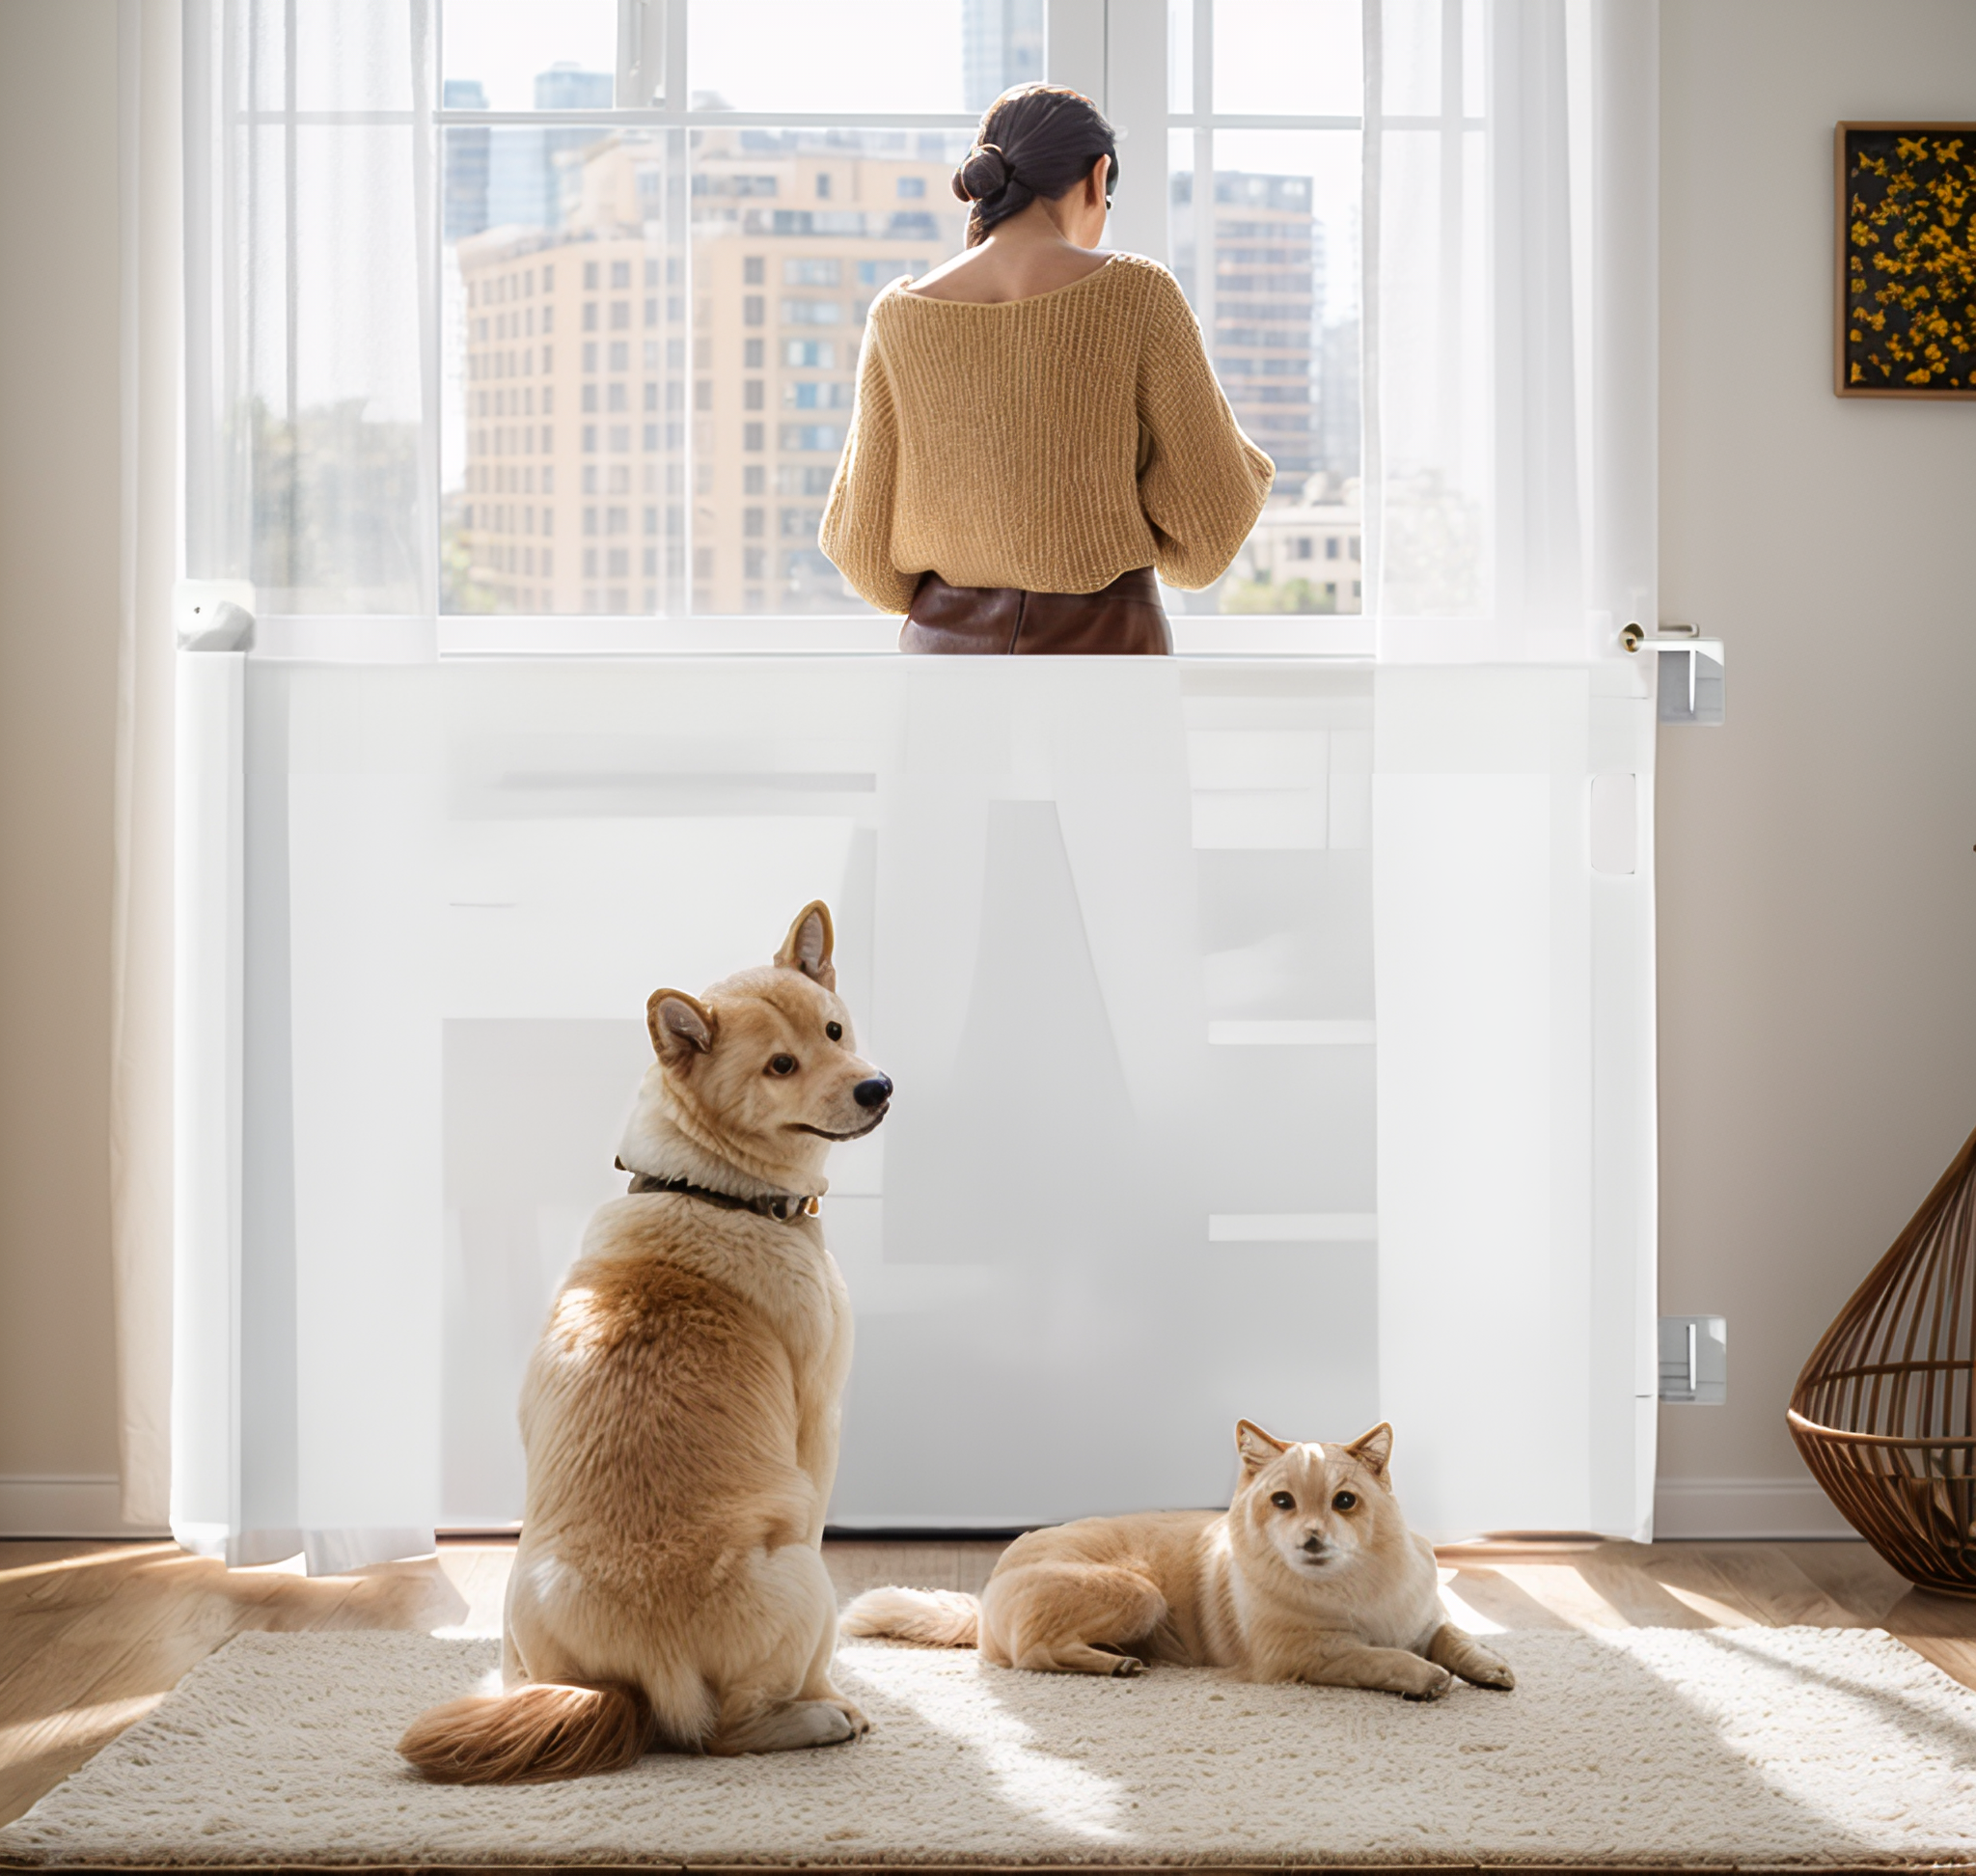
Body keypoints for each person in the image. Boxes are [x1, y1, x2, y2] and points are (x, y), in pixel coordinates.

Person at [819, 83, 1274, 654]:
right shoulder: (1138, 292)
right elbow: (1206, 535)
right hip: (1106, 646)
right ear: (1097, 177)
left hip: (945, 658)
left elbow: (866, 556)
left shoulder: (897, 315)